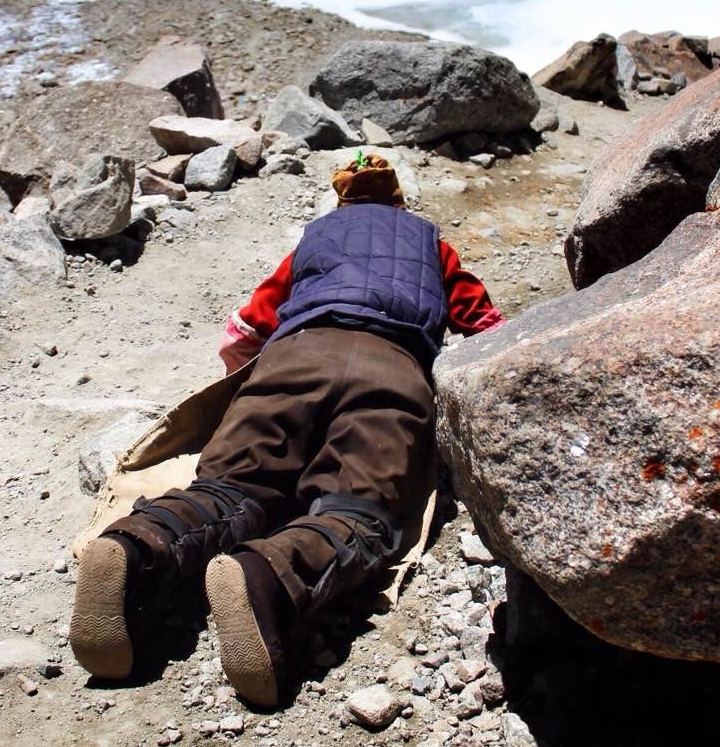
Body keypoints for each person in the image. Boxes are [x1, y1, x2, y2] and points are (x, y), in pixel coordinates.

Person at [68, 153, 504, 707]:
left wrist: (246, 388)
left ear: (342, 200)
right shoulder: (433, 246)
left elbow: (246, 326)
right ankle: (267, 577)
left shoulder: (315, 240)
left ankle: (139, 545)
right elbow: (486, 324)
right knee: (359, 512)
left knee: (233, 485)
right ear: (398, 198)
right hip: (391, 368)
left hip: (293, 356)